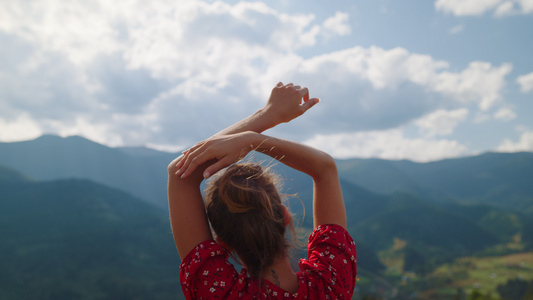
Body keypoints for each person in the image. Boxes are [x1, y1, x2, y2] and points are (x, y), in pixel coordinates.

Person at [167, 82, 357, 299]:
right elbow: (325, 168)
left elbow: (180, 174)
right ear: (285, 216)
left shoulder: (218, 290)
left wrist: (265, 116)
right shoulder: (331, 285)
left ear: (223, 243)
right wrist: (254, 141)